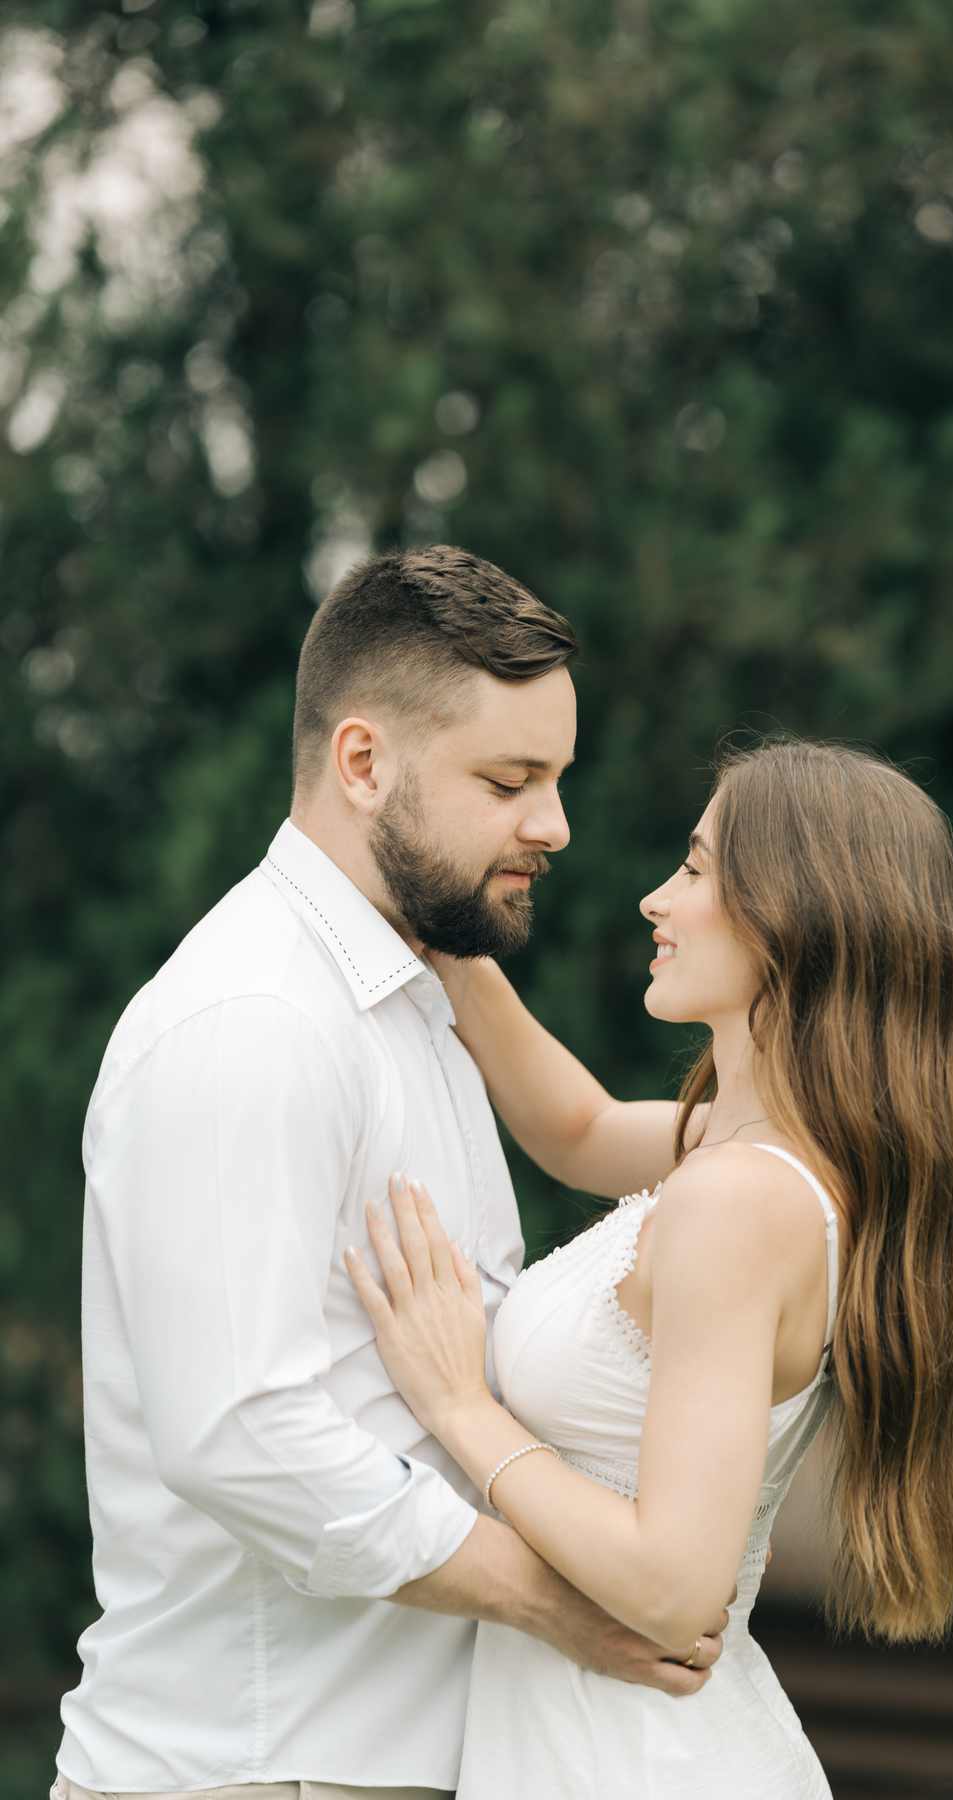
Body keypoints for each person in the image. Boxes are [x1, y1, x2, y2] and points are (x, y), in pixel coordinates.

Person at [56, 547, 727, 1800]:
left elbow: (579, 1127)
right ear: (363, 764)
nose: (556, 826)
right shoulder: (254, 1019)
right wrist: (559, 1601)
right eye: (511, 780)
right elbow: (242, 1433)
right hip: (255, 1772)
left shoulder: (422, 989)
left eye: (558, 778)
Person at [345, 737, 953, 1799]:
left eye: (695, 871)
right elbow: (580, 1126)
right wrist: (450, 936)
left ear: (796, 913)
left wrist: (464, 1407)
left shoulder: (740, 1204)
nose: (656, 899)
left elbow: (673, 1584)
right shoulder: (748, 1158)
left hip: (636, 1761)